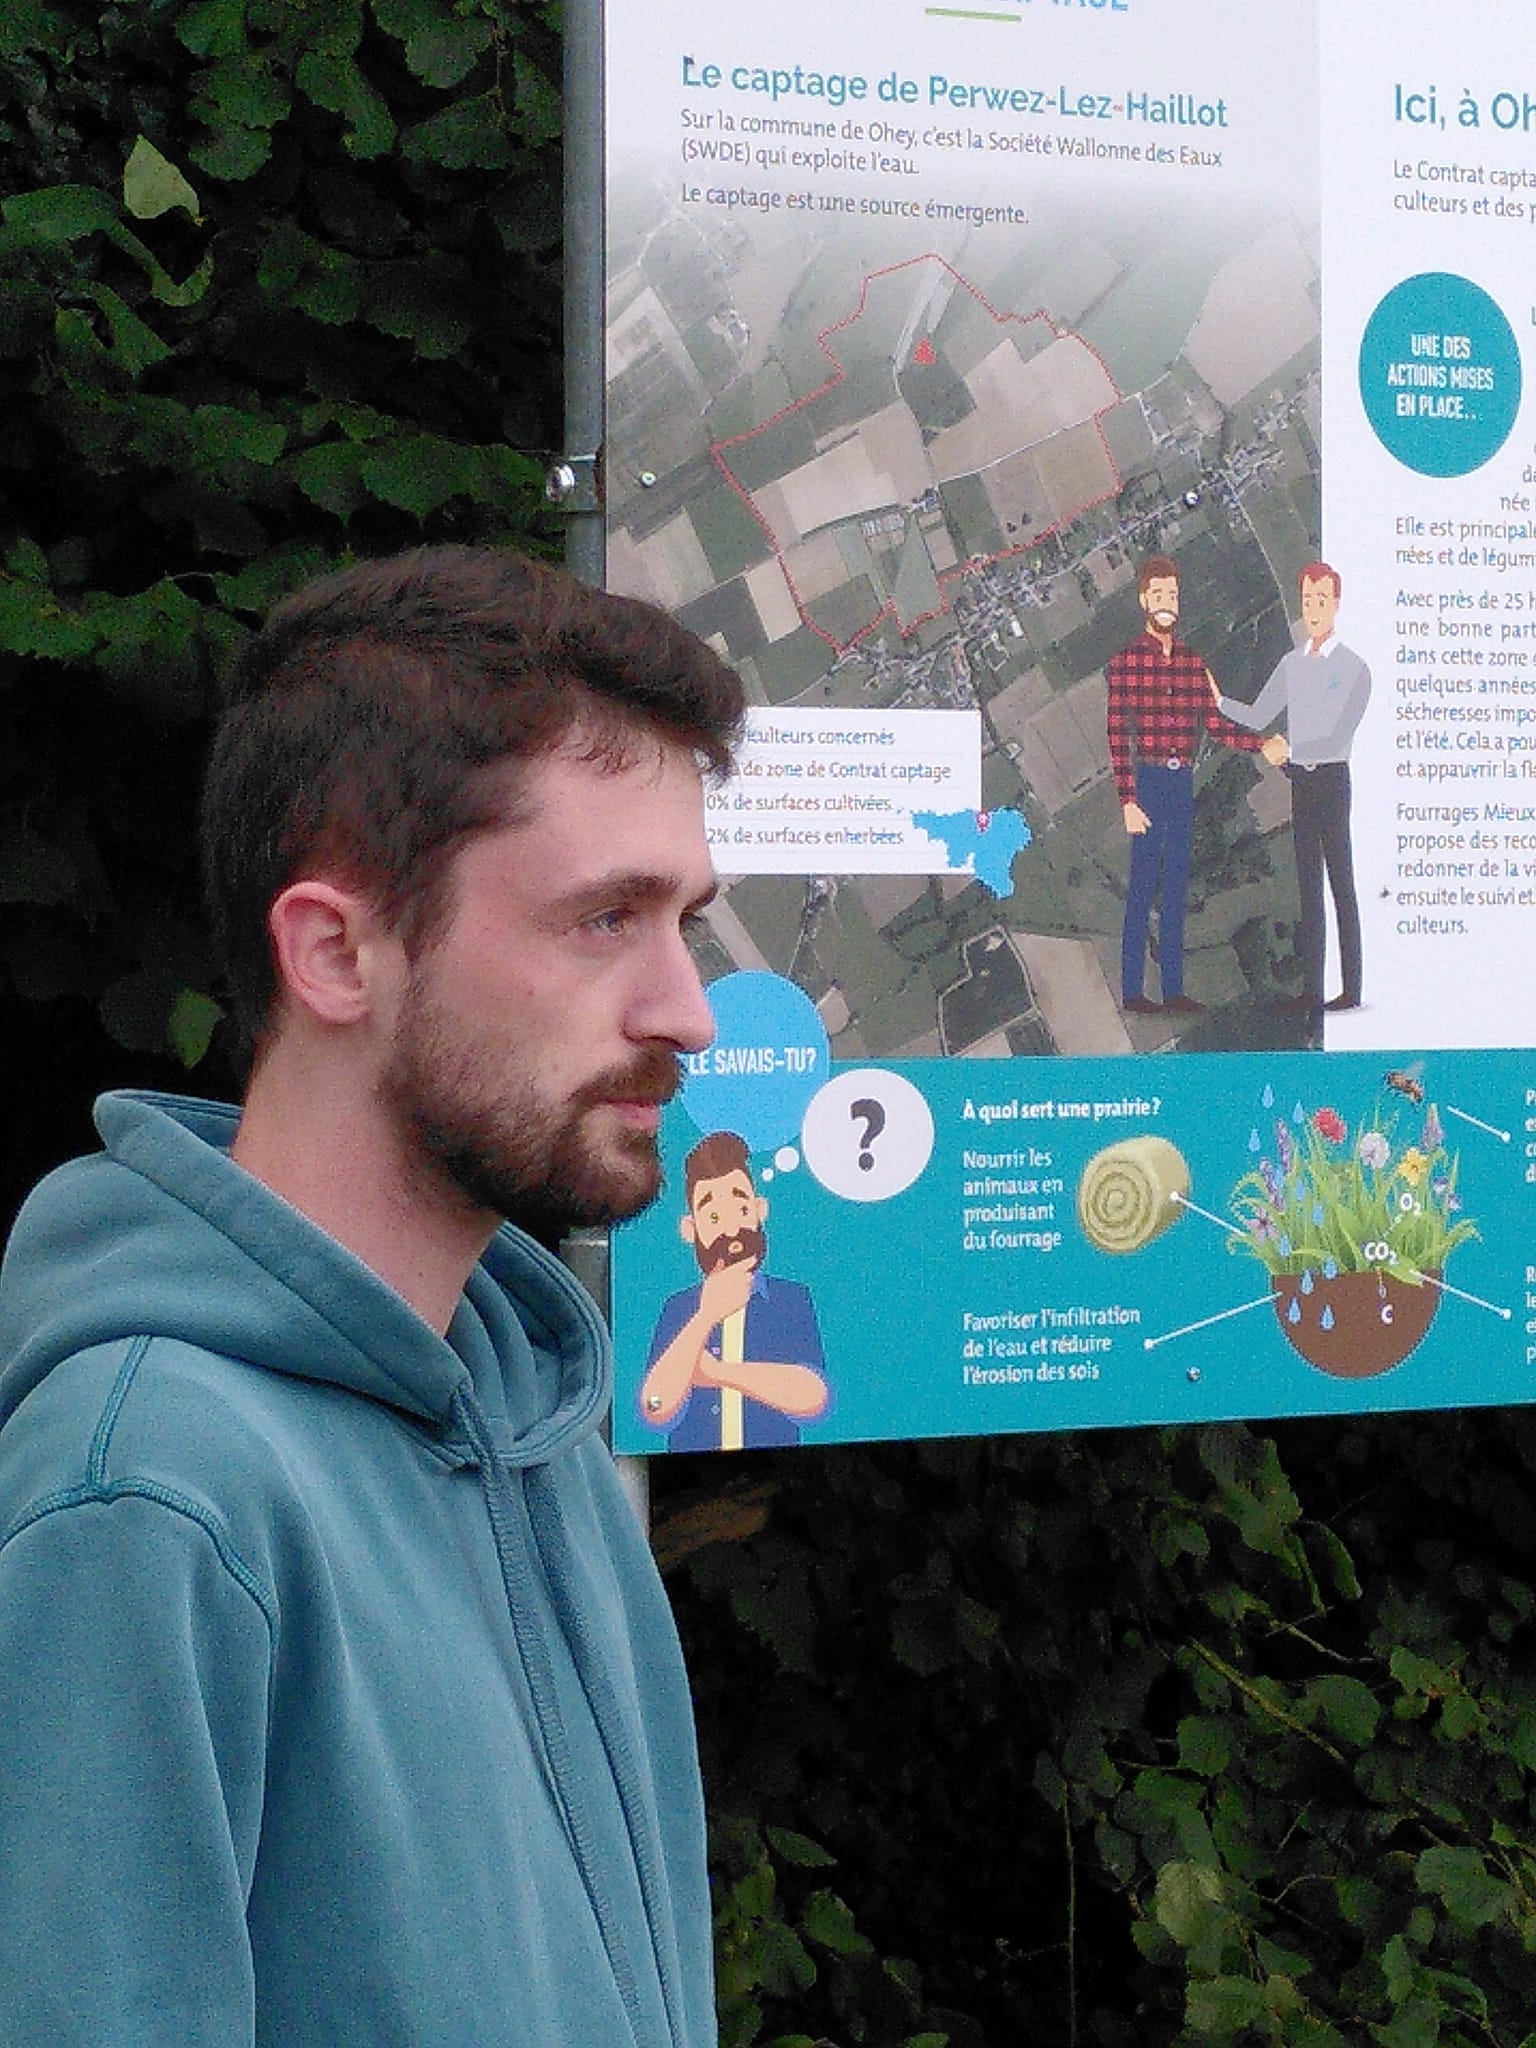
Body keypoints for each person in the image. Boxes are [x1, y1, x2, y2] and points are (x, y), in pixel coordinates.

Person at [0, 546, 744, 2047]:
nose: (688, 1012)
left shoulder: (543, 1429)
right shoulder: (150, 1491)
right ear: (337, 952)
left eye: (687, 920)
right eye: (606, 918)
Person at [1106, 556, 1284, 1018]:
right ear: (1144, 600)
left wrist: (1259, 744)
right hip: (1148, 781)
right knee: (1143, 886)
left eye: (1172, 594)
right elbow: (1117, 733)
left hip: (1180, 779)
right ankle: (1133, 993)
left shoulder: (1191, 663)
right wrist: (1127, 800)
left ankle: (1173, 990)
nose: (1167, 602)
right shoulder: (1128, 663)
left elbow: (1217, 727)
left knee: (1175, 887)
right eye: (1158, 595)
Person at [1211, 561, 1370, 1024]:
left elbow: (1339, 736)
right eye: (1307, 601)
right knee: (1308, 890)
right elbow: (1259, 715)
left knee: (1341, 885)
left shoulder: (1355, 669)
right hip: (1300, 780)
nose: (1314, 609)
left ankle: (1351, 990)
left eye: (1322, 600)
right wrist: (1220, 703)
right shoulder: (1292, 664)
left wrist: (1290, 751)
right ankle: (1313, 992)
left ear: (1336, 604)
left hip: (1331, 780)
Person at [639, 1131, 828, 1451]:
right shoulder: (678, 1308)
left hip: (779, 1466)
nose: (730, 1229)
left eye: (741, 1210)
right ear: (690, 1228)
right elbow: (655, 1405)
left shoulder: (789, 1299)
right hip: (690, 1473)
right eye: (713, 1217)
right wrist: (706, 1315)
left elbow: (812, 1395)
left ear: (759, 1210)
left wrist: (717, 1373)